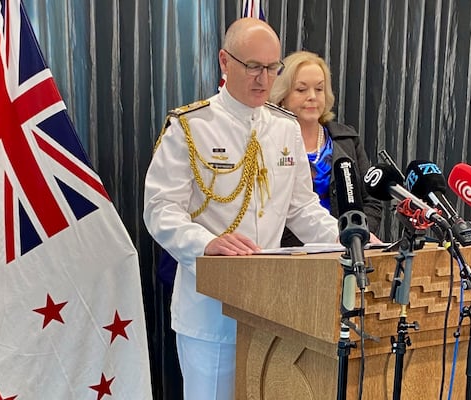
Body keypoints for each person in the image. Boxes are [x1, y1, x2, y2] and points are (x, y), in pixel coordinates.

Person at [143, 18, 339, 400]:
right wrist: (205, 243)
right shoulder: (190, 126)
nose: (263, 79)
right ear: (224, 61)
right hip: (209, 312)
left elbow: (301, 207)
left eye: (271, 68)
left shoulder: (284, 127)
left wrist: (350, 241)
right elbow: (160, 209)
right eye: (252, 66)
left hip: (273, 311)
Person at [269, 50, 383, 246]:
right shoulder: (270, 141)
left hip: (347, 252)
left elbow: (371, 201)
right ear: (282, 95)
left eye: (319, 89)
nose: (312, 97)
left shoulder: (347, 139)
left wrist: (357, 236)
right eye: (301, 89)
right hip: (291, 258)